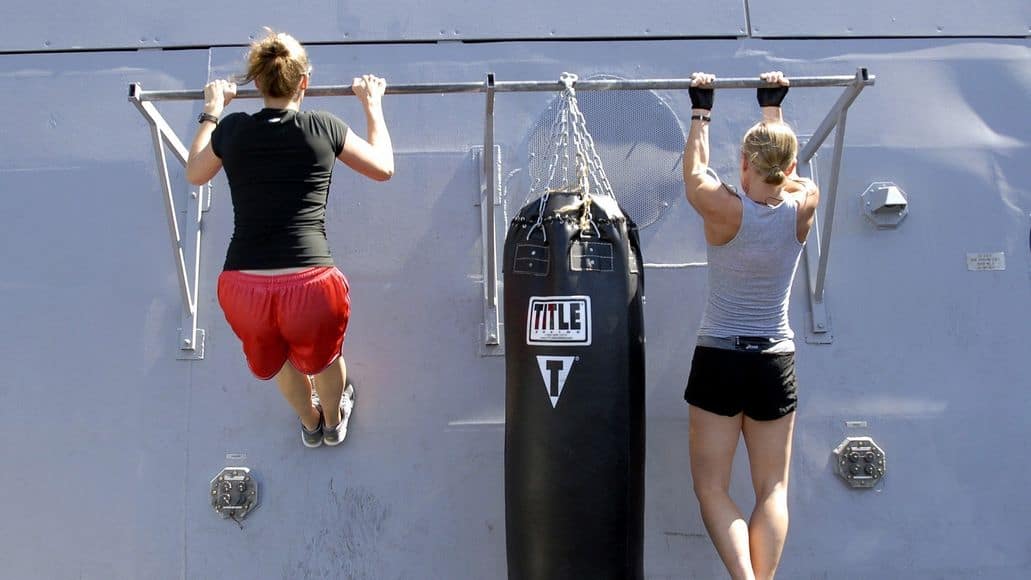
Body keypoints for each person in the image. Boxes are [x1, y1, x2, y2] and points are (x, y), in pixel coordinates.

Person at [185, 29, 394, 448]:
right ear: (304, 82)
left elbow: (195, 172)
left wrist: (212, 110)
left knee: (281, 360)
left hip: (244, 286)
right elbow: (383, 167)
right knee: (325, 359)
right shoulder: (323, 127)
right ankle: (333, 422)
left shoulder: (232, 130)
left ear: (257, 83)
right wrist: (372, 106)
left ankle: (309, 421)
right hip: (311, 286)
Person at [681, 71, 819, 580]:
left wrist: (702, 108)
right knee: (773, 489)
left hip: (720, 358)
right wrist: (772, 109)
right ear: (787, 165)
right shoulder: (805, 204)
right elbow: (790, 170)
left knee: (713, 488)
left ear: (743, 164)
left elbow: (694, 171)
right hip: (774, 361)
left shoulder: (724, 211)